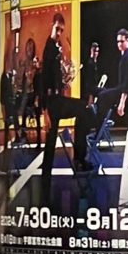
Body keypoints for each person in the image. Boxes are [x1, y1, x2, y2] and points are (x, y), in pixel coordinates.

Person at [40, 14, 95, 197]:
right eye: (57, 29)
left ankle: (46, 181)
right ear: (51, 25)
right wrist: (44, 112)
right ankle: (79, 158)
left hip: (56, 100)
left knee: (50, 145)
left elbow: (53, 78)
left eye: (61, 30)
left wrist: (64, 82)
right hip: (53, 103)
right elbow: (43, 81)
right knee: (83, 108)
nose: (59, 33)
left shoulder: (54, 48)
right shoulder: (49, 48)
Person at [96, 29, 128, 170]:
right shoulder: (127, 55)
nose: (119, 44)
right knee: (103, 94)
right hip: (127, 92)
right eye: (118, 41)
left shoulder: (127, 57)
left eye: (122, 41)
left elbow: (127, 82)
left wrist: (122, 102)